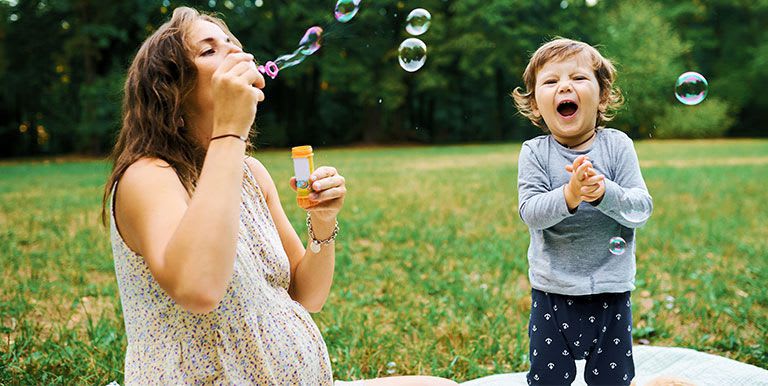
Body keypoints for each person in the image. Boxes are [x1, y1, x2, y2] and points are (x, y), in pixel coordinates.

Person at [101, 7, 456, 386]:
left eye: (233, 44)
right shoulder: (148, 177)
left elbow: (308, 296)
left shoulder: (250, 174)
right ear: (170, 91)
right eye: (209, 51)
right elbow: (199, 288)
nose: (240, 55)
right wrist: (230, 132)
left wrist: (322, 223)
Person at [512, 37, 653, 385]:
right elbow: (530, 212)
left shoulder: (618, 146)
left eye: (578, 78)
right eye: (550, 81)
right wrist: (569, 194)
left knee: (612, 378)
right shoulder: (534, 153)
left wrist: (604, 192)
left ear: (602, 95)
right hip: (551, 290)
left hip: (611, 288)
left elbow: (641, 209)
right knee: (548, 378)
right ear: (535, 105)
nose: (564, 86)